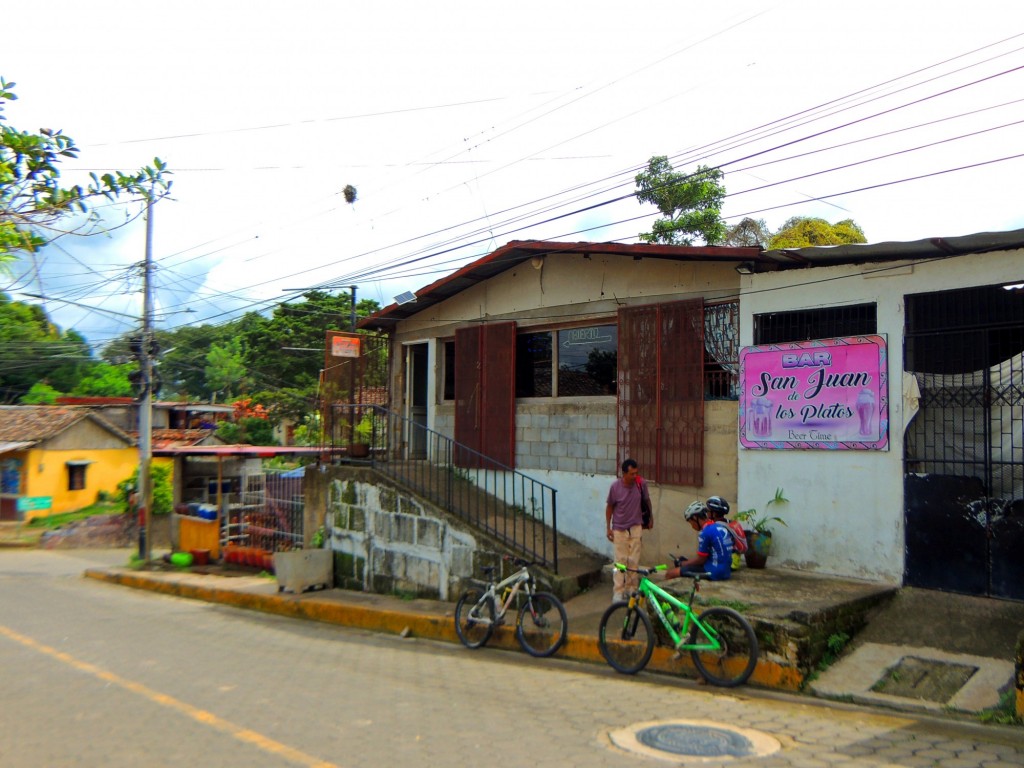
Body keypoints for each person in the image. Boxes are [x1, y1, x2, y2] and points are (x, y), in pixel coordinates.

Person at [605, 458, 651, 601]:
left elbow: (647, 500)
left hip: (636, 527)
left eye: (636, 473)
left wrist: (650, 518)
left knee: (633, 561)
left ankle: (631, 589)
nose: (634, 476)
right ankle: (618, 591)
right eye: (632, 474)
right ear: (624, 473)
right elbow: (609, 507)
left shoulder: (641, 484)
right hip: (619, 528)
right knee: (620, 561)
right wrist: (608, 528)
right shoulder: (615, 487)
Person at [663, 500, 733, 581]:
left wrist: (682, 563)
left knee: (670, 573)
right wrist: (687, 562)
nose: (692, 526)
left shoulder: (705, 532)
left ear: (695, 518)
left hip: (714, 572)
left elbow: (701, 560)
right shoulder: (719, 526)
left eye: (691, 522)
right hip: (726, 571)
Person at [706, 495, 747, 569]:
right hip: (735, 562)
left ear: (714, 513)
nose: (706, 512)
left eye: (708, 510)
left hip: (725, 563)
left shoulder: (717, 528)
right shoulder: (732, 523)